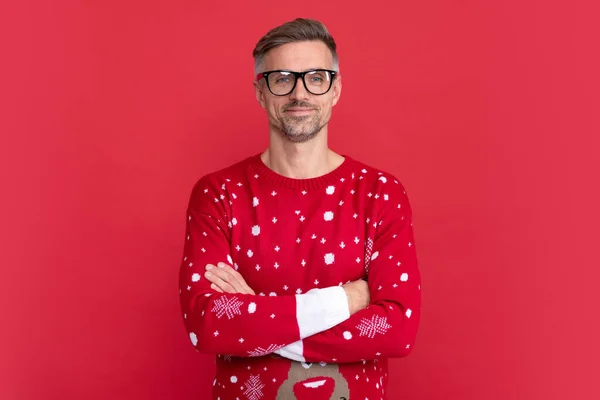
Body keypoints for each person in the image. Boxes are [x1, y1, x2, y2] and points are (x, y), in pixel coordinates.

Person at [178, 17, 422, 400]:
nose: (300, 93)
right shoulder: (218, 193)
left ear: (335, 89)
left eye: (316, 78)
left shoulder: (380, 194)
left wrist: (255, 316)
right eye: (282, 79)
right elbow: (207, 324)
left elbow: (398, 329)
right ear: (261, 92)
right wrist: (343, 301)